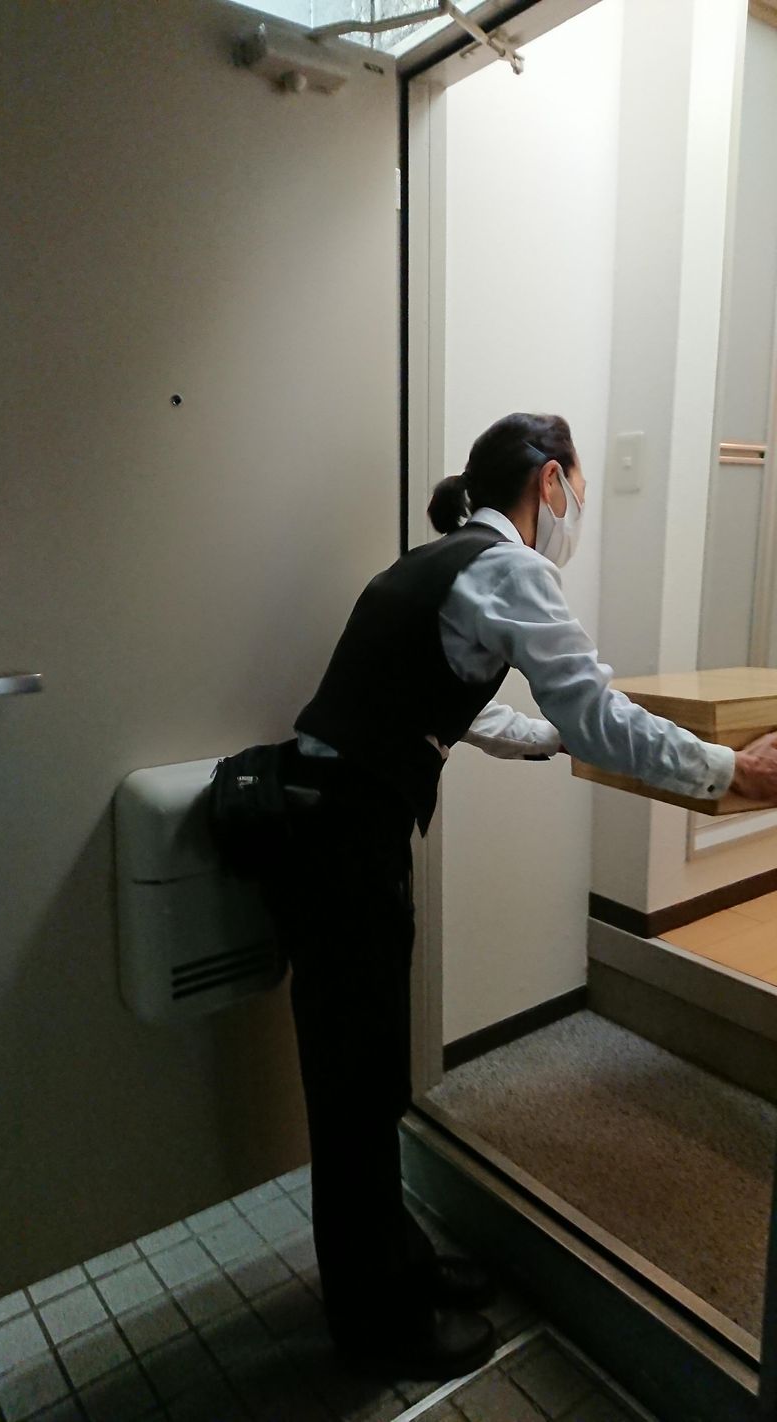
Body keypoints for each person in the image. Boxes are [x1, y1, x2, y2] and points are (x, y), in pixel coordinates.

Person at [258, 412, 777, 1382]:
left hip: (325, 821)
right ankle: (376, 1326)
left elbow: (455, 703)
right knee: (355, 1086)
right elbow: (597, 710)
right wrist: (729, 770)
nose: (578, 505)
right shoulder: (509, 568)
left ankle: (400, 1265)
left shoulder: (441, 561)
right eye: (578, 483)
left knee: (368, 1069)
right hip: (343, 836)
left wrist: (547, 739)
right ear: (549, 480)